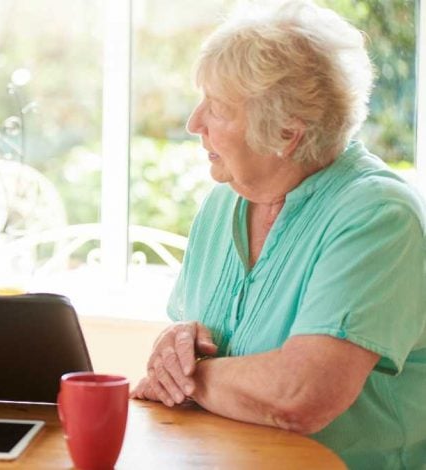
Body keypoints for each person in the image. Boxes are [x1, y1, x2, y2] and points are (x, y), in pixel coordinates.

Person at [131, 1, 426, 468]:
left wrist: (195, 377)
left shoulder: (378, 216)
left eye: (218, 108)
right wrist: (178, 344)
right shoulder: (226, 198)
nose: (194, 124)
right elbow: (215, 336)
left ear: (287, 133)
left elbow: (300, 395)